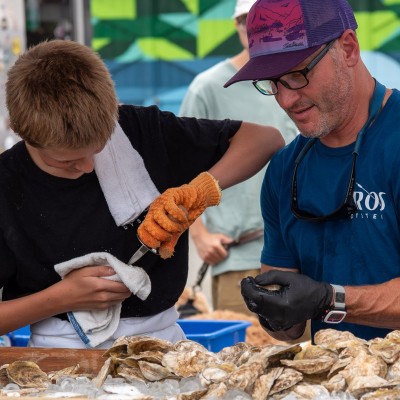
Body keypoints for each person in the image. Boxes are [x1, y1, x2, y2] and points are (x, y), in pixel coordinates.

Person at [0, 39, 284, 349]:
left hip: (164, 345)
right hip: (58, 357)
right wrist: (60, 298)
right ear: (18, 129)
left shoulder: (141, 131)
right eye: (66, 161)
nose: (88, 166)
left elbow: (265, 139)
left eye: (98, 148)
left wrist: (200, 189)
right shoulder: (7, 184)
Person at [225, 0, 400, 342]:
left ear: (348, 48)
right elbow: (289, 332)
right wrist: (275, 309)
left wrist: (328, 299)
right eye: (272, 82)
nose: (286, 100)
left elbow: (322, 299)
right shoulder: (284, 169)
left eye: (297, 74)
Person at [179, 0, 297, 315]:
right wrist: (200, 235)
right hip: (238, 260)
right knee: (243, 356)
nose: (258, 28)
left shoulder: (299, 79)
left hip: (302, 255)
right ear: (236, 25)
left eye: (267, 20)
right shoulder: (207, 88)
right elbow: (179, 172)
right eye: (249, 20)